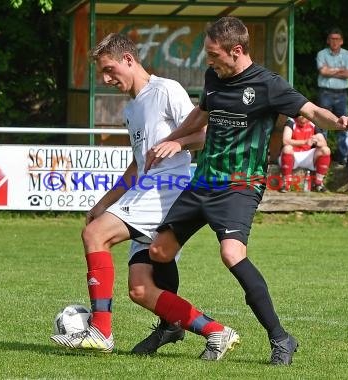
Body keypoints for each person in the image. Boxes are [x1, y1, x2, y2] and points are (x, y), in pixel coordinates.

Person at [144, 17, 348, 366]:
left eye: (213, 55)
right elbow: (200, 116)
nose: (208, 61)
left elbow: (311, 111)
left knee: (231, 254)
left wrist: (337, 122)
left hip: (240, 186)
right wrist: (173, 141)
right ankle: (171, 325)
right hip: (204, 181)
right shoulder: (215, 77)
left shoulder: (268, 84)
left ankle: (281, 339)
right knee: (159, 250)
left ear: (237, 51)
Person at [50, 33, 234, 360]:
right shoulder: (132, 109)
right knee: (140, 290)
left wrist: (177, 144)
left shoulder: (165, 90)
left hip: (167, 188)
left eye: (109, 70)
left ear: (129, 60)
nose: (106, 79)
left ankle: (101, 332)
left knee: (94, 235)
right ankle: (217, 333)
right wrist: (103, 203)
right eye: (101, 74)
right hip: (147, 190)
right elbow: (137, 164)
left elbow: (207, 135)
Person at [316, 27, 348, 165]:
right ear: (328, 41)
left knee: (344, 124)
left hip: (342, 94)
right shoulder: (322, 54)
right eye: (332, 39)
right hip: (325, 92)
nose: (334, 42)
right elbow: (322, 71)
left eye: (337, 39)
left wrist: (330, 70)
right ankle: (321, 154)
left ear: (342, 41)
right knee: (322, 123)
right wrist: (341, 70)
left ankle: (342, 157)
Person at [278, 116, 331, 192]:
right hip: (292, 155)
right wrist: (305, 142)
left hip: (308, 156)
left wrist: (317, 142)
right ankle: (286, 183)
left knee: (325, 150)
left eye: (305, 116)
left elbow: (324, 143)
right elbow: (285, 141)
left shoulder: (313, 123)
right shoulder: (291, 122)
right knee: (287, 148)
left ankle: (318, 183)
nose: (303, 118)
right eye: (301, 115)